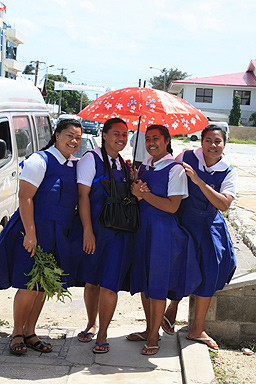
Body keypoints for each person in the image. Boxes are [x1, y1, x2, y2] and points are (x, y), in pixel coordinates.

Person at [0, 119, 82, 355]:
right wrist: (31, 235)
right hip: (34, 229)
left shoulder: (74, 164)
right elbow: (25, 197)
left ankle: (30, 331)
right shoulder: (40, 160)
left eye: (77, 137)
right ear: (57, 135)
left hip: (59, 233)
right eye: (69, 135)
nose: (74, 141)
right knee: (28, 284)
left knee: (43, 285)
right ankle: (17, 332)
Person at [127, 125, 201, 356]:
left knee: (157, 284)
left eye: (156, 138)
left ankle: (153, 337)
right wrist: (135, 183)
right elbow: (140, 196)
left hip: (162, 231)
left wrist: (144, 194)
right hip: (143, 228)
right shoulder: (147, 164)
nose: (151, 142)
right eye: (148, 138)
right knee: (145, 281)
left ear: (167, 140)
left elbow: (172, 206)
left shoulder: (175, 169)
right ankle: (149, 328)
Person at [162, 124, 237, 350]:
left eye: (217, 141)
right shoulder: (185, 157)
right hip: (184, 222)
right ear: (201, 141)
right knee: (180, 266)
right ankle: (171, 309)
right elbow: (167, 176)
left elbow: (223, 204)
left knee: (210, 271)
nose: (212, 146)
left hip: (210, 226)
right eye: (208, 141)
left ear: (224, 144)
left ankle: (197, 329)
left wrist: (199, 182)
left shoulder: (228, 170)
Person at [73, 118, 134, 353]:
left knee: (110, 284)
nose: (121, 138)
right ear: (105, 135)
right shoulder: (91, 159)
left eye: (125, 134)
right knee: (91, 281)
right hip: (96, 231)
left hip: (119, 234)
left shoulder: (125, 165)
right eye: (116, 133)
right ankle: (91, 323)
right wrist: (87, 231)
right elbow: (83, 197)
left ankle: (103, 333)